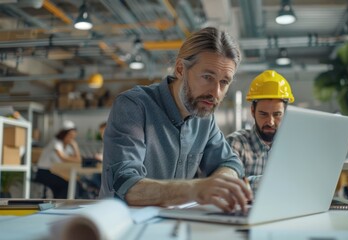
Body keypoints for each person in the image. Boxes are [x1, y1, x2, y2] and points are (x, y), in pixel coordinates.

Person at [99, 27, 252, 213]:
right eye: (207, 77)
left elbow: (229, 163)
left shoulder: (204, 117)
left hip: (173, 224)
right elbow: (127, 186)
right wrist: (196, 189)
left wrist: (221, 182)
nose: (215, 93)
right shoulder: (134, 106)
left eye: (224, 82)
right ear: (180, 69)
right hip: (122, 225)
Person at [226, 70, 294, 192]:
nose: (270, 122)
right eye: (263, 114)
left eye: (277, 114)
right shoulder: (236, 143)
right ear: (253, 111)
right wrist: (278, 181)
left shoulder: (293, 147)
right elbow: (229, 186)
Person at [35, 120, 82, 199]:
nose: (72, 139)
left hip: (56, 172)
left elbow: (78, 159)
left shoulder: (67, 147)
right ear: (64, 134)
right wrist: (75, 155)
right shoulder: (56, 143)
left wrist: (75, 147)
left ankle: (63, 204)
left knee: (75, 184)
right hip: (44, 172)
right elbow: (64, 158)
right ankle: (61, 205)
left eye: (73, 136)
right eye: (70, 136)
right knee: (66, 185)